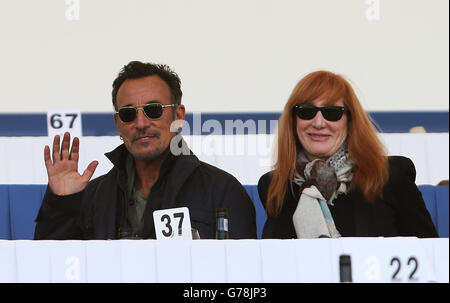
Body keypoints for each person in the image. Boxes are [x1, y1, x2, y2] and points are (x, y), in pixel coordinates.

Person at [34, 61, 256, 240]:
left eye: (153, 110)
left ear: (178, 116)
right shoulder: (91, 196)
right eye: (128, 113)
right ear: (118, 123)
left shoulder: (224, 191)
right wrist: (62, 203)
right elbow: (49, 268)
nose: (140, 123)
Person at [258, 70, 438, 239]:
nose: (319, 123)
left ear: (351, 121)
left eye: (332, 113)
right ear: (293, 120)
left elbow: (431, 254)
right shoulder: (276, 186)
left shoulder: (389, 176)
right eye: (306, 111)